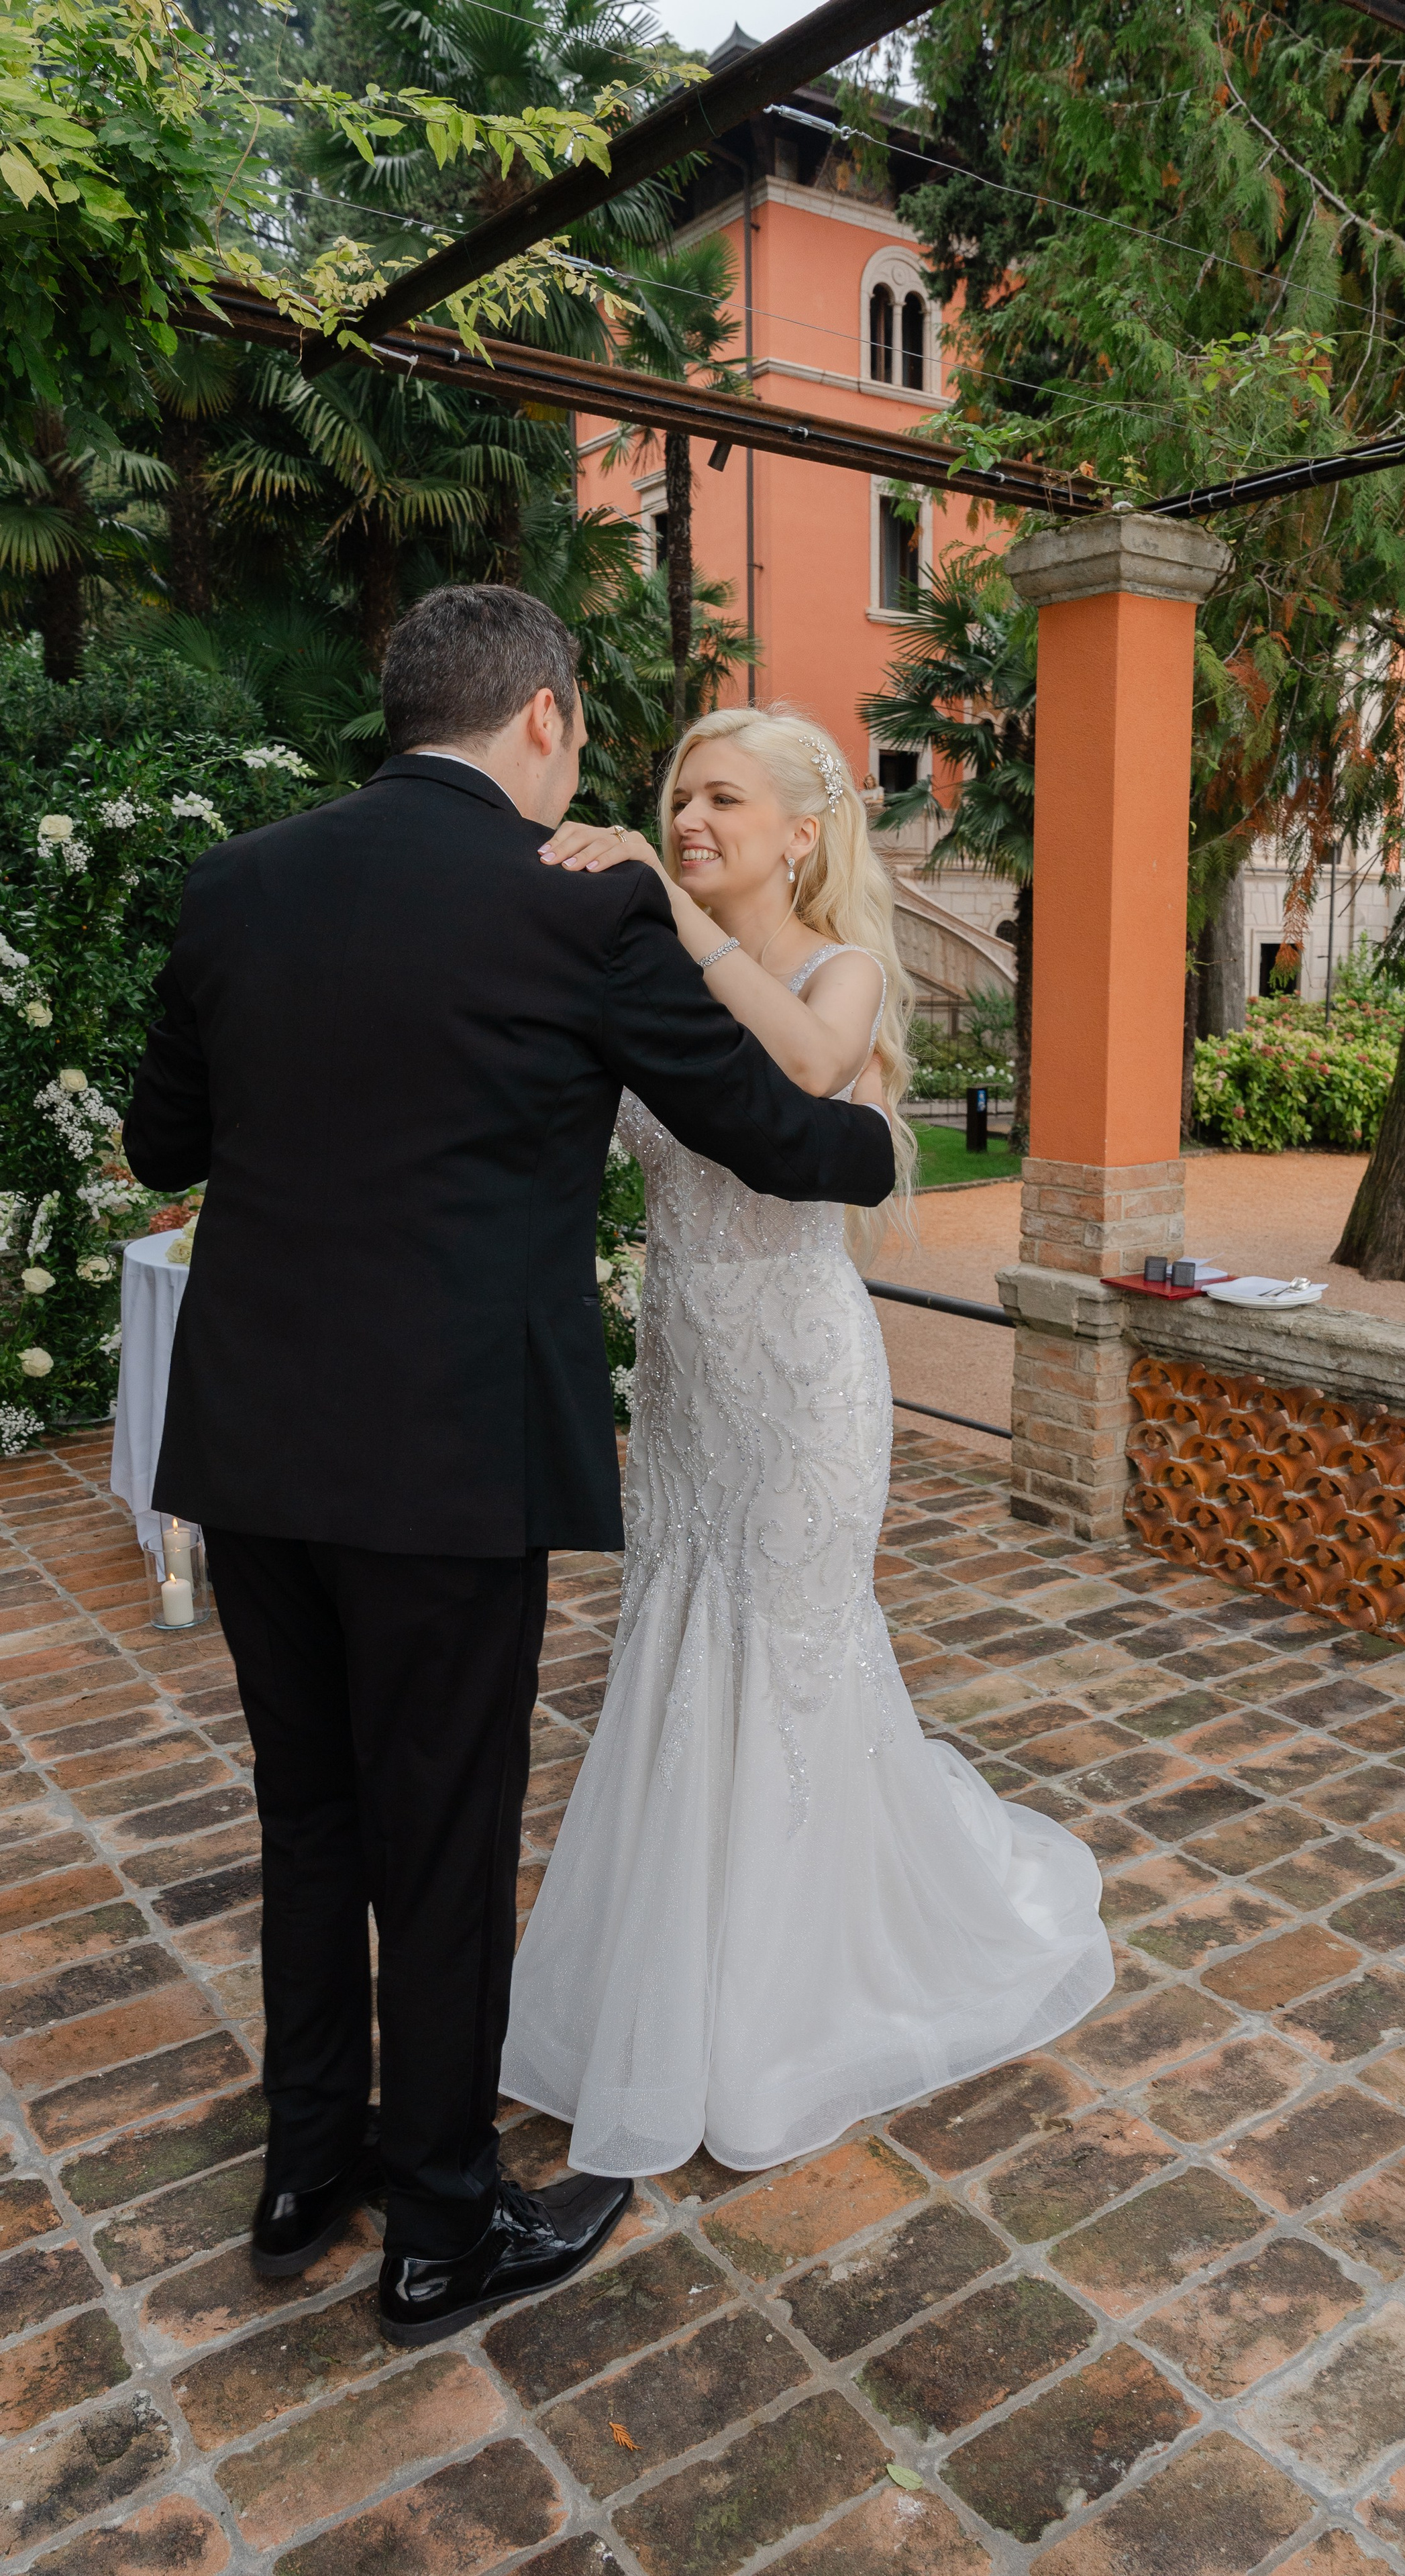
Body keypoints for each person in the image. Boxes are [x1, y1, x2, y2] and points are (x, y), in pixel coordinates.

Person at [121, 591, 895, 2347]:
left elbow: (162, 1141)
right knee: (445, 1843)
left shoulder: (239, 887)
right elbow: (775, 1133)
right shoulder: (582, 904)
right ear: (543, 721)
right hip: (452, 1463)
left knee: (310, 1815)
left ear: (404, 715)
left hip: (252, 1454)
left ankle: (306, 2174)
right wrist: (879, 1142)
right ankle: (441, 2234)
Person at [501, 707, 1113, 2178]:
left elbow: (804, 1072)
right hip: (688, 1381)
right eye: (674, 795)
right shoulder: (639, 987)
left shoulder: (830, 973)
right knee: (673, 1642)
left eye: (721, 799)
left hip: (803, 1377)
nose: (690, 816)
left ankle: (780, 2011)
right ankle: (671, 1980)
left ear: (799, 832)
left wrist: (664, 906)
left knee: (782, 1655)